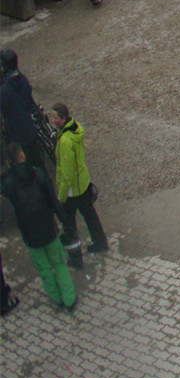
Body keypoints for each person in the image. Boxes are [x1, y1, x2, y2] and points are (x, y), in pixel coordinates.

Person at [0, 142, 74, 312]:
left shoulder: (8, 183)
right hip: (48, 228)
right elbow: (53, 201)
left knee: (44, 269)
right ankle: (69, 299)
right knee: (59, 264)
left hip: (30, 235)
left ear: (9, 162)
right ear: (22, 155)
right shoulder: (39, 173)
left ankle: (56, 298)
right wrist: (65, 222)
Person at [49, 103, 108, 266]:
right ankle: (100, 242)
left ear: (63, 119)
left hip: (72, 190)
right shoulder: (75, 129)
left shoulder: (65, 141)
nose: (53, 121)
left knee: (69, 223)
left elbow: (67, 173)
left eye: (55, 118)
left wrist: (61, 195)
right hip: (82, 183)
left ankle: (76, 257)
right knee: (90, 215)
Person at [0, 49, 51, 175]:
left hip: (17, 133)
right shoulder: (22, 79)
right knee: (38, 161)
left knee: (24, 165)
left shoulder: (5, 91)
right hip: (30, 128)